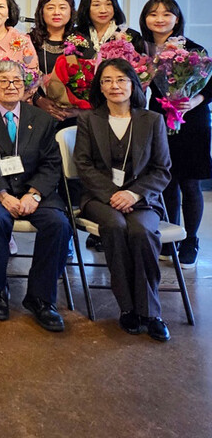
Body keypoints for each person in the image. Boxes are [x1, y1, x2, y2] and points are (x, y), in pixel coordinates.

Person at [0, 60, 71, 331]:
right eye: (3, 81)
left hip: (33, 191)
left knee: (59, 224)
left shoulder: (41, 119)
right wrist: (2, 194)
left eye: (17, 81)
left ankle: (41, 298)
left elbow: (51, 163)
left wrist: (33, 195)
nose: (11, 86)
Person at [73, 58, 172, 342]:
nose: (114, 86)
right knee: (115, 227)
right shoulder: (89, 119)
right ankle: (128, 308)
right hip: (100, 199)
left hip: (143, 199)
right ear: (99, 87)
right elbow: (84, 164)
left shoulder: (152, 120)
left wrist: (133, 193)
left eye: (121, 79)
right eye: (107, 80)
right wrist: (112, 195)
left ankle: (151, 313)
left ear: (133, 84)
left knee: (141, 231)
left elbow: (162, 169)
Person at [138, 0, 210, 266]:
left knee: (190, 183)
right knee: (164, 180)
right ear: (145, 19)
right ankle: (170, 238)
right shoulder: (142, 50)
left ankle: (191, 240)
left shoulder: (192, 49)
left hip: (190, 120)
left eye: (167, 14)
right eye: (153, 14)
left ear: (177, 19)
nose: (160, 18)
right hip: (157, 119)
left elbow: (208, 85)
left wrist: (194, 100)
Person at [29, 0, 80, 122]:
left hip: (75, 116)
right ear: (41, 12)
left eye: (62, 8)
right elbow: (22, 76)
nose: (56, 12)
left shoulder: (81, 42)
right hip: (37, 113)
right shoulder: (28, 41)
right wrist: (38, 100)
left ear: (71, 12)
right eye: (50, 8)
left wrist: (78, 109)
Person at [74, 0, 143, 53]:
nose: (103, 10)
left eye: (108, 4)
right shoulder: (75, 35)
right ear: (86, 8)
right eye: (96, 5)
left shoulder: (132, 36)